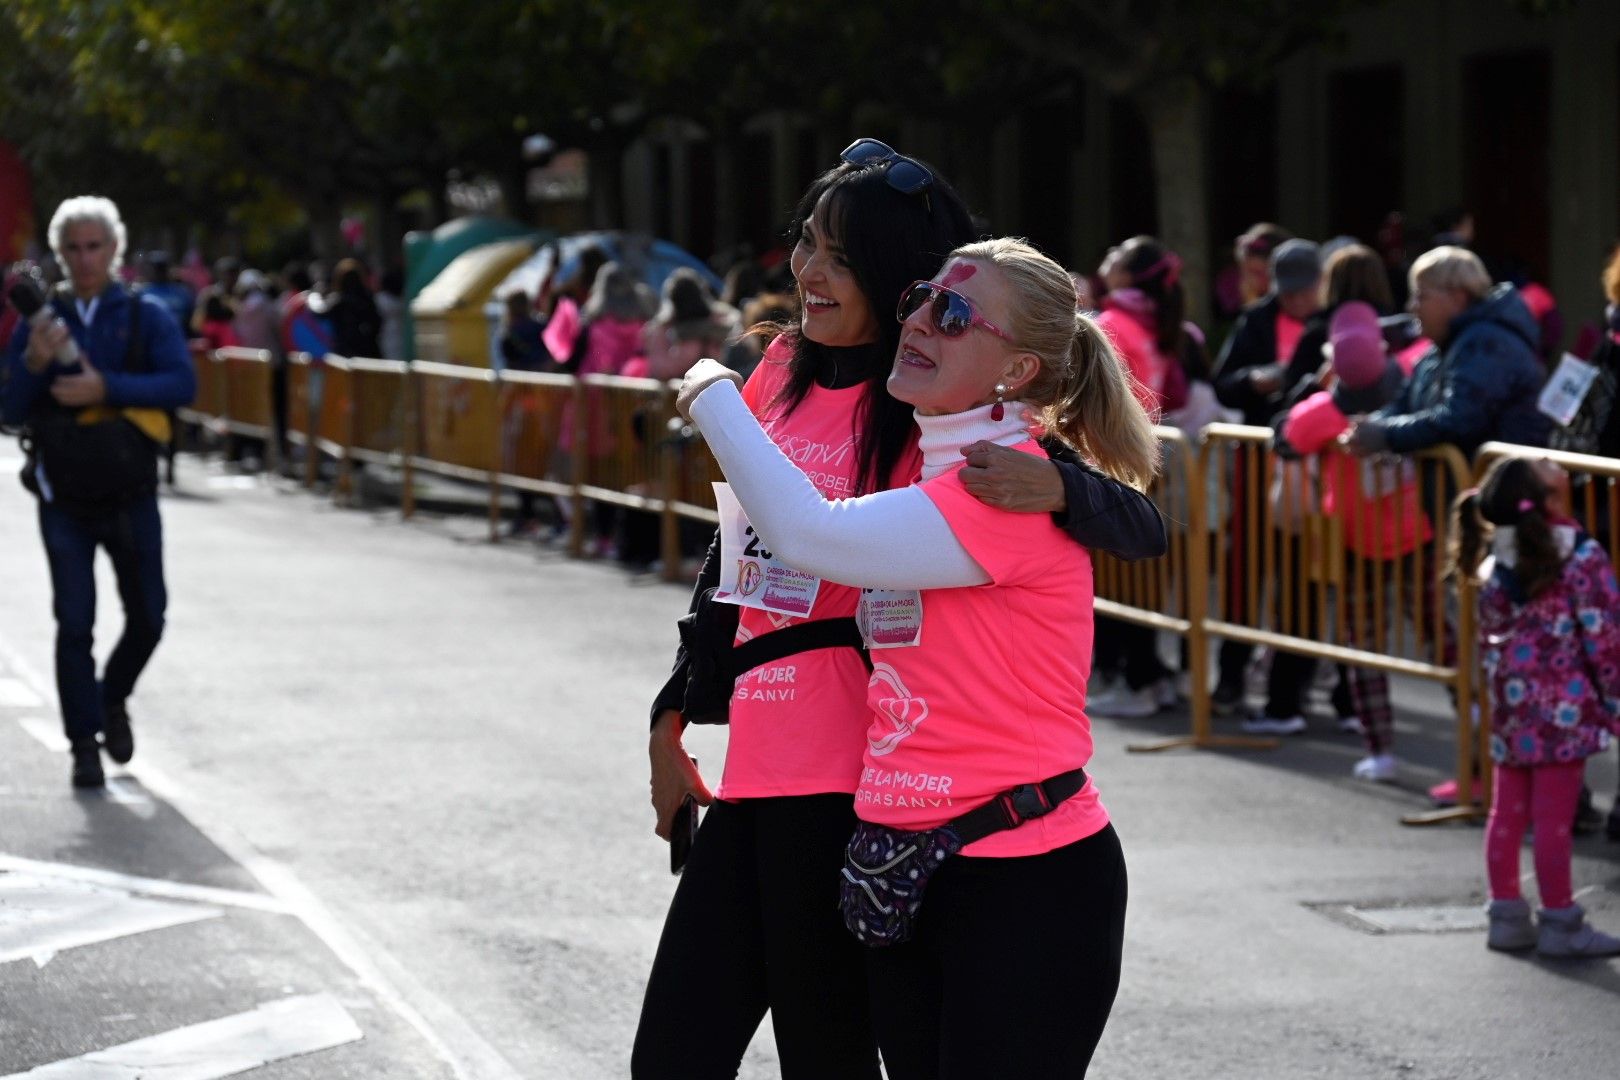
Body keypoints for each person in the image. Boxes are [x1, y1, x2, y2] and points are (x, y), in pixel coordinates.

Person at [635, 146, 1162, 1080]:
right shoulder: (811, 376)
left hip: (864, 786)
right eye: (805, 243)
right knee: (674, 1053)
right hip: (800, 772)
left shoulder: (946, 419)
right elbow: (741, 557)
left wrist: (1065, 494)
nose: (806, 271)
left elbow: (1132, 513)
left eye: (838, 255)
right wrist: (672, 712)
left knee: (823, 1058)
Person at [0, 196, 196, 789]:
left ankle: (111, 699)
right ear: (59, 255)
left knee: (149, 617)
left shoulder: (145, 315)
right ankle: (84, 745)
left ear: (115, 250)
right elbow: (9, 412)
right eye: (73, 249)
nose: (85, 259)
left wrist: (106, 387)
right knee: (74, 623)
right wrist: (34, 363)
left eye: (95, 246)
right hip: (65, 496)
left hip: (131, 489)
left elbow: (181, 381)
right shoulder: (41, 322)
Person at [1452, 457, 1620, 957]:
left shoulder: (1492, 558)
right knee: (1554, 820)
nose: (1554, 461)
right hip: (1564, 707)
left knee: (1506, 813)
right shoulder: (1580, 555)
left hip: (1511, 703)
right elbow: (1605, 636)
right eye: (1546, 467)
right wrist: (1612, 697)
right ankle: (1561, 923)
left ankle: (1505, 915)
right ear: (1549, 498)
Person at [1282, 303, 1432, 775]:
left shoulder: (1324, 413)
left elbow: (1287, 433)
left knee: (1363, 647)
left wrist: (1323, 380)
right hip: (1415, 535)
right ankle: (1470, 711)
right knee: (1442, 633)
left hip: (1357, 544)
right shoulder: (1411, 389)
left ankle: (1380, 749)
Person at [1346, 246, 1549, 460]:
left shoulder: (1488, 342)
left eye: (1421, 296)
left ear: (1457, 298)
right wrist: (1369, 427)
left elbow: (1459, 419)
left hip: (1497, 488)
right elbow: (1403, 404)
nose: (1411, 306)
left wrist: (1386, 434)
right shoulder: (1440, 348)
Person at [323, 258, 382, 359]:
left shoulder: (336, 302)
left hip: (345, 355)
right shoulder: (368, 298)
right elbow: (377, 323)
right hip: (369, 352)